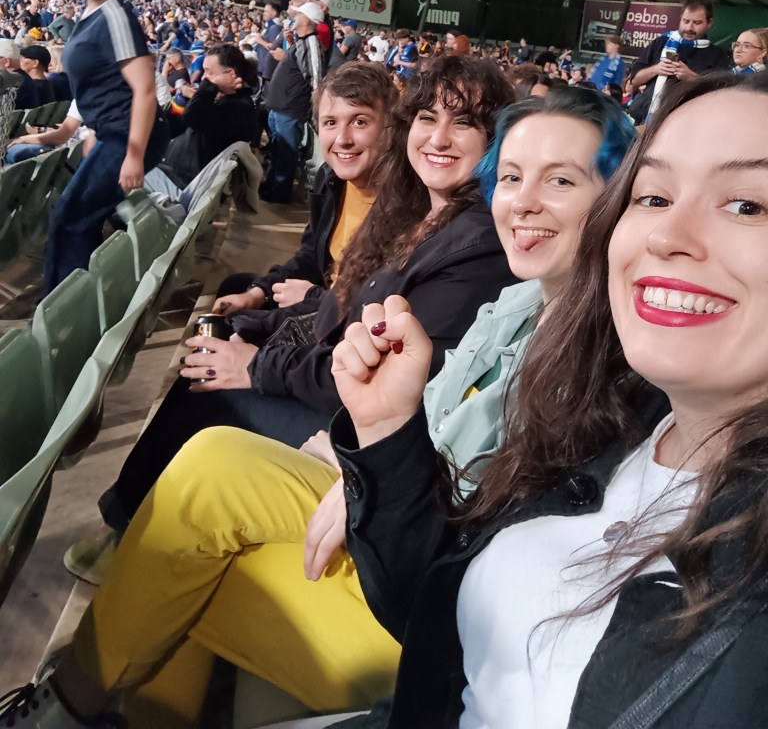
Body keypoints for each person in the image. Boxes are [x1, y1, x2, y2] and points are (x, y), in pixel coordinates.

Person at [5, 91, 635, 729]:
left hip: (437, 617)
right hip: (394, 518)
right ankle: (81, 706)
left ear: (620, 197)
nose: (523, 200)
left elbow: (478, 526)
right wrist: (363, 455)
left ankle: (69, 704)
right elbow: (415, 395)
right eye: (512, 176)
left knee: (188, 553)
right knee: (206, 476)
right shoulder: (521, 302)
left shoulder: (599, 354)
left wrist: (374, 474)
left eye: (560, 180)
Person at [312, 71, 768, 729]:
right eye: (655, 196)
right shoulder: (615, 424)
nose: (667, 234)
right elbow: (441, 616)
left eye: (747, 205)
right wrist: (386, 430)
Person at [93, 55, 515, 539]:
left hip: (366, 434)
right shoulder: (413, 210)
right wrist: (260, 327)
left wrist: (257, 366)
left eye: (463, 123)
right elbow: (340, 304)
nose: (438, 139)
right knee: (210, 363)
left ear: (493, 140)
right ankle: (131, 522)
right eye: (427, 118)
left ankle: (130, 528)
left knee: (209, 399)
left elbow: (381, 379)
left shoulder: (476, 244)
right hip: (339, 390)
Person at [212, 63, 397, 341]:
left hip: (347, 329)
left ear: (390, 127)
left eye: (360, 121)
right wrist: (259, 292)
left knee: (234, 333)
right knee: (237, 288)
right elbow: (311, 255)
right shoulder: (330, 179)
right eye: (330, 123)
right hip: (323, 300)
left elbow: (371, 307)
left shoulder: (403, 204)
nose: (342, 139)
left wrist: (312, 297)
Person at [42, 0, 169, 295]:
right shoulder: (93, 12)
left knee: (70, 218)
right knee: (77, 217)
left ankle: (62, 311)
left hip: (129, 135)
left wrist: (134, 153)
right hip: (112, 132)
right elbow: (103, 83)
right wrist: (95, 130)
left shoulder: (114, 15)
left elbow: (144, 89)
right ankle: (74, 303)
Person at [161, 46, 258, 186]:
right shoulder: (229, 101)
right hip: (177, 172)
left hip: (181, 180)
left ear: (229, 74)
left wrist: (209, 87)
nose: (203, 78)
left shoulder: (238, 108)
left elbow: (191, 117)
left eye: (209, 72)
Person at [260, 1, 325, 204]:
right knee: (277, 150)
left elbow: (316, 80)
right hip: (281, 107)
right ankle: (271, 185)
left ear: (308, 20)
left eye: (298, 15)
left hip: (290, 110)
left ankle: (280, 192)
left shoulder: (312, 43)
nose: (293, 17)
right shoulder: (302, 41)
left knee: (286, 153)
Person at [628, 0, 729, 122]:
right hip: (643, 116)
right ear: (680, 18)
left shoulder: (716, 54)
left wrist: (692, 78)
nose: (689, 28)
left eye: (697, 23)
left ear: (709, 23)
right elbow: (635, 80)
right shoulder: (660, 42)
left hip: (684, 121)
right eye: (686, 21)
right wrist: (656, 69)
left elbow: (720, 93)